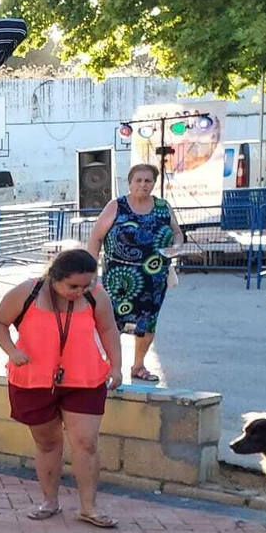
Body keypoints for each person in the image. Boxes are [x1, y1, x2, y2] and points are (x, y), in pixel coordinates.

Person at [0, 248, 123, 528]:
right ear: (54, 277)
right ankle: (50, 501)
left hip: (84, 379)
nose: (80, 290)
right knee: (48, 443)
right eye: (73, 286)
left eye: (87, 284)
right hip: (34, 380)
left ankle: (89, 507)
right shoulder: (27, 292)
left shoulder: (95, 294)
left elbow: (109, 329)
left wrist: (116, 366)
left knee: (86, 443)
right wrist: (12, 351)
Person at [86, 163, 186, 384]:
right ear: (129, 183)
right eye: (138, 180)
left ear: (153, 183)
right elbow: (95, 239)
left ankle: (138, 366)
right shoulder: (117, 206)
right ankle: (109, 366)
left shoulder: (162, 206)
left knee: (147, 323)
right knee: (112, 321)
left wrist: (177, 246)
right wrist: (89, 272)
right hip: (118, 277)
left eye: (148, 180)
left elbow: (178, 233)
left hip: (153, 279)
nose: (143, 184)